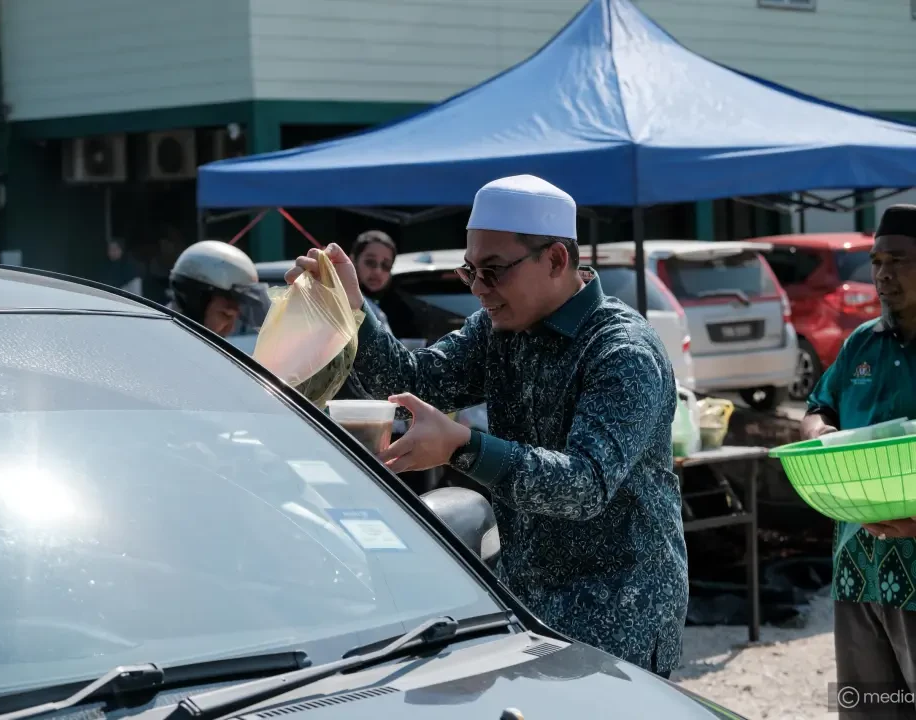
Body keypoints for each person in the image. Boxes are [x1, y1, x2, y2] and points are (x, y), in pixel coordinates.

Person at [286, 174, 689, 678]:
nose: (479, 289)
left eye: (494, 272)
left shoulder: (621, 351)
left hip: (618, 615)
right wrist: (351, 309)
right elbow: (411, 381)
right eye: (471, 271)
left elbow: (585, 485)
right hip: (530, 605)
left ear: (557, 260)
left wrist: (463, 447)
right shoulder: (499, 329)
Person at [802, 204, 916, 717]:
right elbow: (818, 407)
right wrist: (821, 436)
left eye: (899, 260)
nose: (883, 273)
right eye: (876, 261)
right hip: (857, 567)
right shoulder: (861, 344)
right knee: (868, 705)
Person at [167, 240, 270, 338]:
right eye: (225, 314)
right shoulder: (159, 347)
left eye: (235, 318)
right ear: (195, 303)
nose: (230, 329)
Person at [350, 229, 396, 334]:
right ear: (352, 260)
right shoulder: (344, 303)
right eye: (370, 262)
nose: (378, 271)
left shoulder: (379, 308)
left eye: (386, 265)